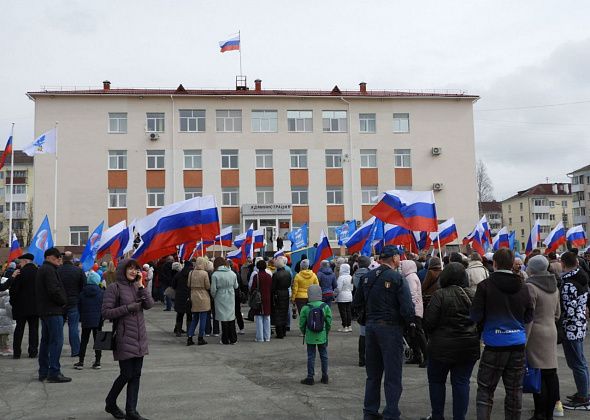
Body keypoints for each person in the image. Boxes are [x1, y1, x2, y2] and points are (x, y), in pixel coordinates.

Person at [470, 248, 534, 420]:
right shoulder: (523, 287)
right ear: (513, 263)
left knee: (485, 390)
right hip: (517, 344)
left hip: (494, 345)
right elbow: (529, 315)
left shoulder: (485, 286)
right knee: (514, 392)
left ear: (495, 264)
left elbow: (475, 315)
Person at [353, 245, 414, 420]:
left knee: (373, 374)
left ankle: (370, 411)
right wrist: (409, 325)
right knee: (393, 374)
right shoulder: (397, 278)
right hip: (391, 328)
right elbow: (407, 308)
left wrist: (366, 319)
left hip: (371, 328)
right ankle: (391, 413)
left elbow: (356, 304)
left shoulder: (367, 277)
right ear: (394, 258)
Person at [421, 262, 480, 420]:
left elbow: (428, 323)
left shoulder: (439, 295)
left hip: (440, 347)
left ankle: (437, 416)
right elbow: (481, 321)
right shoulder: (473, 295)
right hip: (467, 346)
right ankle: (459, 417)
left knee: (436, 382)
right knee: (461, 383)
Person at [102, 258, 154, 420]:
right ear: (123, 270)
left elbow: (149, 304)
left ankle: (131, 411)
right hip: (123, 336)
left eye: (135, 269)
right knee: (126, 374)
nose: (133, 271)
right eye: (130, 269)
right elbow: (106, 312)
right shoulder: (114, 288)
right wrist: (128, 308)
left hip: (139, 336)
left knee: (136, 374)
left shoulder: (137, 286)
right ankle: (110, 402)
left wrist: (141, 287)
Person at [524, 255, 561, 419]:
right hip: (550, 330)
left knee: (538, 375)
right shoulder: (554, 286)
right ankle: (549, 413)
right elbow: (558, 314)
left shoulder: (530, 287)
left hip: (535, 334)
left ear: (532, 268)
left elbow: (529, 317)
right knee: (551, 374)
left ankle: (540, 412)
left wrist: (524, 339)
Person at [559, 251, 590, 409]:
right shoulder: (581, 277)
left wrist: (559, 320)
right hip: (580, 324)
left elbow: (568, 309)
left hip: (571, 328)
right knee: (581, 362)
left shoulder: (568, 283)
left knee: (577, 363)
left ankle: (583, 398)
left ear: (563, 264)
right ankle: (584, 393)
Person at [36, 247, 70, 383]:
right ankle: (54, 372)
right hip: (53, 310)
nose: (59, 260)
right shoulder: (49, 270)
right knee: (56, 341)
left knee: (45, 341)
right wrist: (63, 302)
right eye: (57, 257)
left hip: (45, 310)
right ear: (49, 257)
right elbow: (54, 290)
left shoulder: (43, 269)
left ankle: (44, 371)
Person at [299, 284, 332, 385]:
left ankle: (310, 377)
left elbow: (301, 324)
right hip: (322, 335)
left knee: (311, 356)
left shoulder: (305, 308)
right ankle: (325, 376)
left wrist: (304, 332)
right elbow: (329, 322)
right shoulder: (325, 306)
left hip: (310, 335)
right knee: (324, 355)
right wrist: (326, 332)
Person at [9, 253, 39, 359]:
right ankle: (33, 352)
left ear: (25, 261)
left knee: (19, 329)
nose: (20, 264)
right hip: (35, 307)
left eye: (21, 262)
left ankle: (17, 353)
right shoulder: (38, 272)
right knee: (34, 330)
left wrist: (13, 302)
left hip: (20, 307)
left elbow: (13, 290)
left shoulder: (20, 273)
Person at [57, 251, 86, 357]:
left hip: (60, 302)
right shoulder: (78, 270)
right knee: (73, 327)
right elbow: (84, 285)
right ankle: (76, 350)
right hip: (74, 301)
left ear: (63, 259)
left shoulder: (57, 270)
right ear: (72, 258)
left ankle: (56, 350)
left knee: (58, 327)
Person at [75, 270, 104, 370]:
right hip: (98, 319)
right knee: (98, 340)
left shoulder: (82, 293)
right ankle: (98, 361)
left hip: (86, 319)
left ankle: (81, 361)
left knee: (84, 340)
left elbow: (79, 306)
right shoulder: (101, 292)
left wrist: (82, 316)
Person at [401, 259, 427, 367]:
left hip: (414, 310)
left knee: (418, 334)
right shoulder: (410, 276)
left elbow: (411, 295)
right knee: (414, 334)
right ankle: (417, 356)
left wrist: (410, 310)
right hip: (415, 309)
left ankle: (426, 357)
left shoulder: (410, 278)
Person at [210, 257, 239, 345]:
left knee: (223, 318)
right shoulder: (232, 273)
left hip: (220, 296)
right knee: (231, 317)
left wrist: (214, 297)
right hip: (230, 295)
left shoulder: (215, 275)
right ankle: (233, 338)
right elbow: (236, 286)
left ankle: (225, 339)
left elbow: (213, 289)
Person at [187, 257, 210, 346]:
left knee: (194, 318)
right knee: (203, 318)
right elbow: (207, 286)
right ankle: (200, 338)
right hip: (203, 296)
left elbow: (188, 284)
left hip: (193, 295)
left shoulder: (191, 273)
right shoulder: (205, 273)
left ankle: (190, 336)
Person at [353, 256, 371, 367]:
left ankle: (361, 358)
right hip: (370, 306)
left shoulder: (355, 275)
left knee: (362, 334)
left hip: (361, 307)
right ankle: (370, 357)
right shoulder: (371, 275)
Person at [251, 260, 273, 342]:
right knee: (267, 317)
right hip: (267, 297)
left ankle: (260, 337)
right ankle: (267, 337)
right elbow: (271, 287)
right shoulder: (269, 276)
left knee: (259, 317)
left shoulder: (256, 276)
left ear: (257, 267)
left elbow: (252, 288)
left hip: (258, 299)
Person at [271, 256, 291, 339]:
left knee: (278, 313)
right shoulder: (288, 273)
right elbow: (289, 283)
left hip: (278, 294)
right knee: (284, 312)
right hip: (285, 293)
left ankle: (280, 333)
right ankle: (284, 331)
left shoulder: (275, 274)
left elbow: (273, 287)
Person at [172, 261, 192, 337]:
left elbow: (173, 285)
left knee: (180, 314)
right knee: (189, 314)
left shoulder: (178, 274)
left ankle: (178, 331)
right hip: (189, 296)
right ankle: (189, 331)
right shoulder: (192, 274)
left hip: (179, 296)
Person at [335, 263, 353, 333]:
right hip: (349, 295)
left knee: (343, 312)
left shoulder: (341, 277)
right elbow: (352, 287)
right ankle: (349, 325)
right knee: (348, 311)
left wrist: (335, 294)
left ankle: (344, 326)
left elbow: (338, 288)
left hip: (342, 296)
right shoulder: (350, 277)